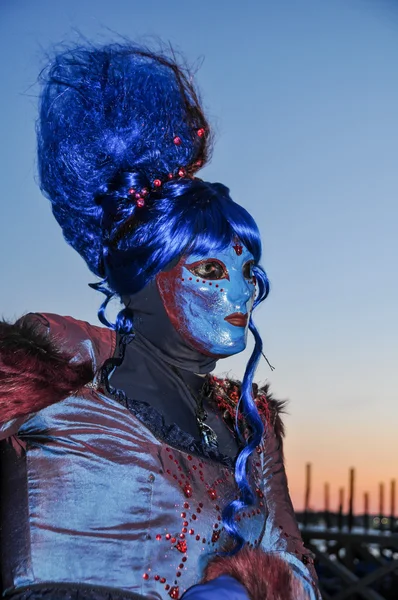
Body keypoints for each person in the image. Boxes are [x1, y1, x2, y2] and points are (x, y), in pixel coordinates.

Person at [0, 43, 321, 600]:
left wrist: (251, 588)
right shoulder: (49, 376)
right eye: (213, 268)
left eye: (250, 269)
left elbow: (297, 573)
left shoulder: (252, 430)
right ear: (146, 280)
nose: (243, 289)